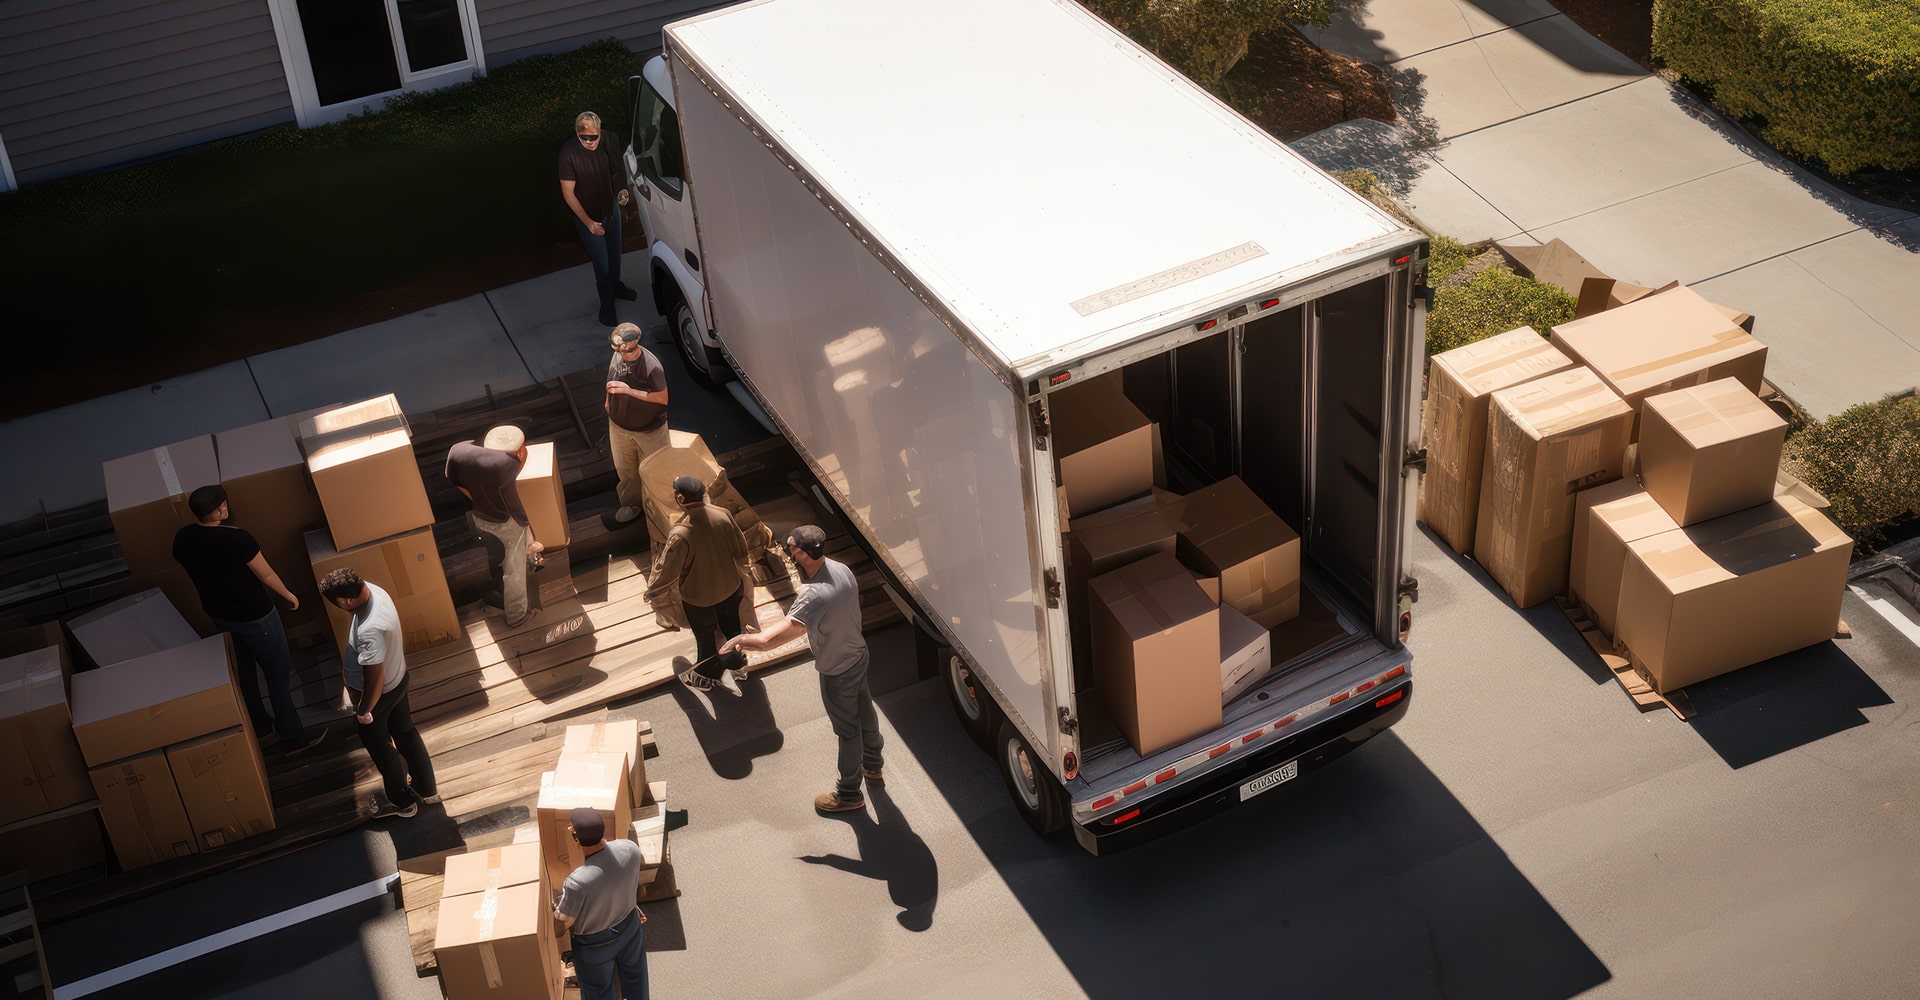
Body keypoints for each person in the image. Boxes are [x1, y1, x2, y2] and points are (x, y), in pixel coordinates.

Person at [722, 525, 882, 813]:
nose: (787, 551)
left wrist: (743, 640)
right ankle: (873, 765)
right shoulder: (841, 568)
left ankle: (848, 794)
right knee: (865, 711)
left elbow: (772, 639)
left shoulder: (813, 595)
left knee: (848, 732)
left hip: (837, 668)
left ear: (799, 552)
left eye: (789, 547)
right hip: (858, 654)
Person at [172, 485, 325, 755]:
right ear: (220, 507)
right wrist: (289, 596)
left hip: (219, 615)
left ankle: (261, 727)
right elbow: (266, 575)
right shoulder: (238, 539)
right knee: (277, 674)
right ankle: (293, 736)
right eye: (223, 503)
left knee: (245, 672)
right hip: (256, 616)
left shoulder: (183, 538)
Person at [319, 568, 438, 820]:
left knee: (381, 746)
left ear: (345, 601)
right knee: (406, 732)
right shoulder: (374, 589)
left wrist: (364, 710)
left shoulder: (369, 630)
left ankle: (400, 802)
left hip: (378, 696)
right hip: (399, 678)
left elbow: (375, 678)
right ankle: (426, 788)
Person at [647, 476, 753, 691]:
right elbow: (740, 550)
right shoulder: (722, 514)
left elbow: (667, 571)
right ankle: (737, 665)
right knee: (731, 629)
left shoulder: (681, 533)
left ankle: (705, 677)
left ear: (679, 497)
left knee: (705, 638)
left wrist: (652, 592)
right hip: (731, 588)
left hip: (699, 599)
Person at [445, 425, 545, 627]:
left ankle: (497, 591)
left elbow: (452, 478)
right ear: (519, 450)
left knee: (497, 556)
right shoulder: (507, 465)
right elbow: (513, 505)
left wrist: (475, 497)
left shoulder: (459, 451)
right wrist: (526, 527)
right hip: (503, 522)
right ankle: (516, 614)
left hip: (477, 517)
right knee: (513, 568)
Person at [553, 807, 649, 1000]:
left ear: (577, 839)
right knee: (636, 980)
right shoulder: (629, 848)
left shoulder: (577, 882)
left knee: (599, 992)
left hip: (594, 946)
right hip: (629, 928)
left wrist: (555, 910)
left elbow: (562, 925)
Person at [559, 111, 635, 327]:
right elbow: (568, 193)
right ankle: (606, 304)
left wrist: (621, 198)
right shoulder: (568, 154)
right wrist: (589, 223)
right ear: (577, 133)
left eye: (593, 137)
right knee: (601, 262)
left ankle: (616, 286)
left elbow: (618, 169)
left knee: (614, 253)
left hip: (610, 208)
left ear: (600, 132)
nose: (589, 142)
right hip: (589, 216)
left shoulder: (610, 139)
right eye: (584, 138)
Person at [604, 323, 670, 527]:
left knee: (656, 470)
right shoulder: (616, 357)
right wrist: (608, 402)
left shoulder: (652, 367)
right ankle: (632, 505)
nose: (624, 354)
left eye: (627, 350)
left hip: (649, 430)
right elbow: (611, 379)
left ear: (635, 344)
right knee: (626, 471)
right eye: (619, 350)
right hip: (619, 427)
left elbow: (662, 398)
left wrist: (629, 391)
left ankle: (662, 509)